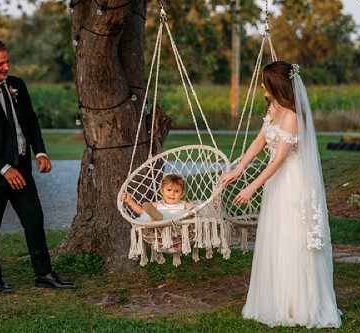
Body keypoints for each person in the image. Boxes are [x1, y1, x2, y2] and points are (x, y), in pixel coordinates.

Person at [221, 61, 341, 328]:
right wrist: (238, 169)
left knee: (293, 238)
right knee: (275, 237)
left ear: (276, 84)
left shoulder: (292, 117)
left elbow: (278, 161)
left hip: (293, 183)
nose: (262, 85)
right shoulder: (274, 109)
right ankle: (276, 299)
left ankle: (299, 304)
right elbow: (259, 141)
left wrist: (252, 186)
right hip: (276, 184)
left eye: (265, 81)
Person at [0, 38, 74, 292]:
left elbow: (31, 121)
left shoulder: (17, 86)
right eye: (0, 63)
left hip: (23, 172)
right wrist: (5, 169)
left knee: (34, 220)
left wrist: (41, 153)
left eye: (7, 62)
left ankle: (44, 273)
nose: (6, 67)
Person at [121, 174, 194, 253]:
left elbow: (195, 209)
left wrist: (193, 210)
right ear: (162, 191)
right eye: (169, 190)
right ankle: (160, 239)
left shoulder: (183, 204)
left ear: (182, 194)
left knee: (187, 216)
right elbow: (141, 211)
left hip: (177, 227)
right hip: (160, 225)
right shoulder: (158, 204)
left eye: (176, 191)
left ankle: (174, 245)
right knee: (156, 222)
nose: (172, 193)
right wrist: (130, 201)